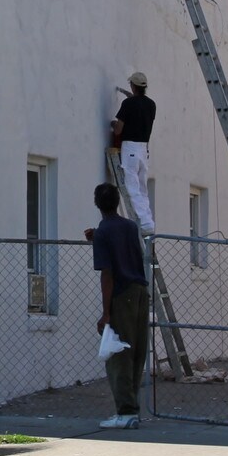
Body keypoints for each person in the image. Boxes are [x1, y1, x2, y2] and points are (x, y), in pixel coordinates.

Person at [88, 182, 149, 429]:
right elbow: (125, 249)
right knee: (136, 351)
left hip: (121, 293)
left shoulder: (103, 233)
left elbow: (107, 274)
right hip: (140, 292)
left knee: (118, 353)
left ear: (97, 204)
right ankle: (132, 408)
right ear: (116, 202)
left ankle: (125, 411)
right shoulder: (130, 227)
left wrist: (106, 313)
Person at [110, 70, 156, 231]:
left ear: (132, 85)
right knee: (142, 188)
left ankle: (141, 223)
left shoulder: (128, 104)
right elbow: (140, 113)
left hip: (130, 148)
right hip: (144, 149)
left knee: (132, 186)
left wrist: (113, 124)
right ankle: (148, 223)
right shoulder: (151, 104)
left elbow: (118, 130)